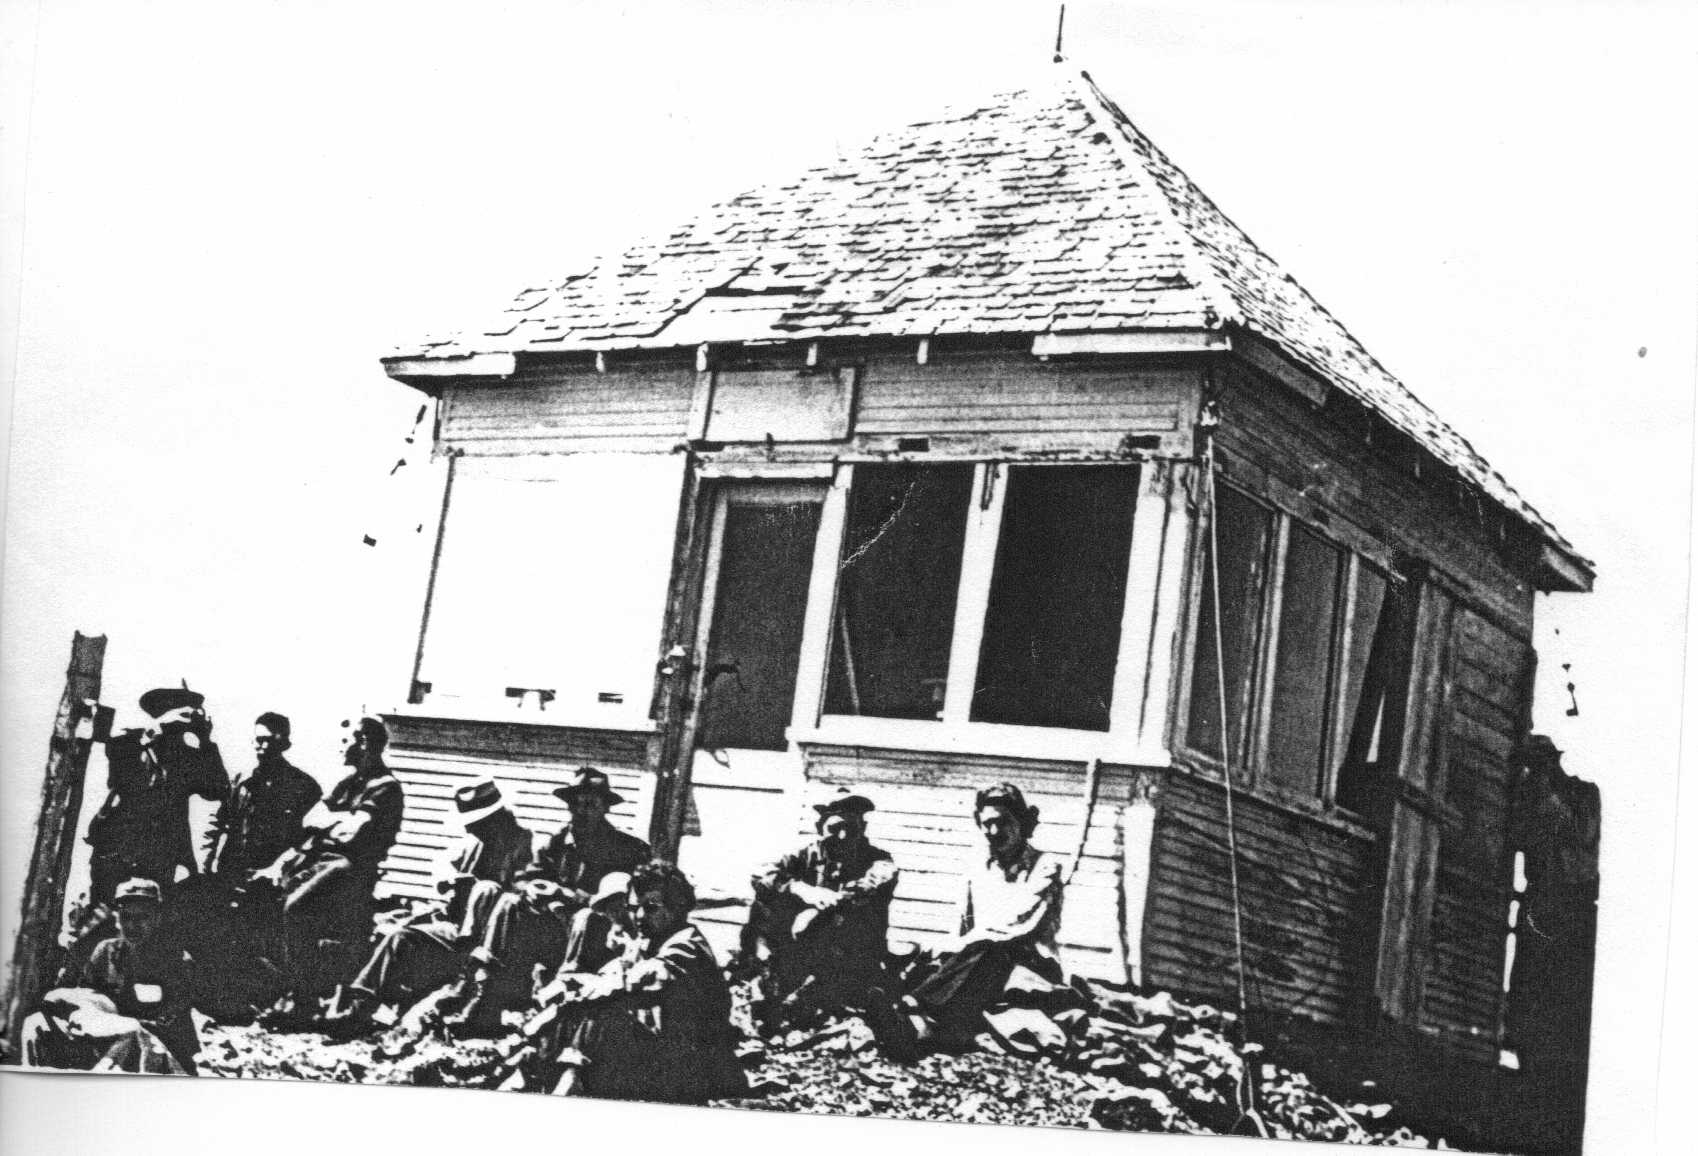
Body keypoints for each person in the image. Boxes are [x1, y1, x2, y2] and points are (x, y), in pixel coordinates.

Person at [865, 782, 1065, 1059]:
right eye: (987, 824)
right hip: (975, 962)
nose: (994, 832)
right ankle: (907, 1025)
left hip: (1028, 962)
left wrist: (959, 948)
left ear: (1021, 823)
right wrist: (942, 952)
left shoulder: (1045, 866)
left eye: (1004, 822)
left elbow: (1017, 925)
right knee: (926, 960)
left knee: (991, 950)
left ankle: (913, 1006)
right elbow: (964, 924)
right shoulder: (978, 867)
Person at [323, 779, 532, 1034]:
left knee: (486, 889)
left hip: (493, 939)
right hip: (458, 927)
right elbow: (448, 882)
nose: (475, 828)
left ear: (497, 817)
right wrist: (451, 885)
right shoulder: (474, 844)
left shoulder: (523, 844)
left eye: (481, 822)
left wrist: (484, 887)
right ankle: (359, 1006)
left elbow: (521, 895)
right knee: (399, 937)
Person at [454, 767, 649, 1031]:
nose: (581, 812)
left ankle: (557, 1009)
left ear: (605, 808)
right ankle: (483, 994)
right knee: (510, 901)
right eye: (575, 805)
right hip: (555, 933)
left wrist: (565, 895)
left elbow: (623, 905)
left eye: (590, 804)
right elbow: (524, 877)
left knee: (585, 917)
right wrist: (532, 888)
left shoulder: (628, 849)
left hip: (596, 940)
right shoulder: (558, 841)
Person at [535, 861, 744, 1104]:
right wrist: (569, 985)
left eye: (652, 907)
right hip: (663, 1057)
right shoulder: (650, 941)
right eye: (635, 908)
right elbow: (617, 970)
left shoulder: (687, 944)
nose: (640, 916)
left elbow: (650, 974)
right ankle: (540, 1075)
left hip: (693, 1068)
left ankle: (566, 1089)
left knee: (604, 1013)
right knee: (570, 1010)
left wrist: (590, 988)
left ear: (677, 907)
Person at [257, 716, 405, 1023]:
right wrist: (335, 823)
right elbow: (310, 821)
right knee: (273, 900)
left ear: (364, 743)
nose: (341, 746)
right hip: (325, 861)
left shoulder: (385, 788)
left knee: (295, 908)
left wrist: (331, 824)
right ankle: (292, 992)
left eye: (346, 739)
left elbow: (351, 834)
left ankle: (302, 1000)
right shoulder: (349, 783)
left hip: (352, 867)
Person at [743, 787, 898, 1030]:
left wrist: (819, 908)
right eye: (835, 829)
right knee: (764, 902)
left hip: (851, 953)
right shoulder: (806, 854)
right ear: (820, 828)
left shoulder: (879, 859)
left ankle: (804, 997)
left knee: (843, 917)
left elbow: (871, 885)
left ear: (863, 829)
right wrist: (801, 889)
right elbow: (761, 874)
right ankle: (767, 975)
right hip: (804, 946)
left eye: (852, 828)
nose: (844, 836)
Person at [22, 878, 202, 1074]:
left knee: (130, 1034)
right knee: (36, 1024)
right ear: (117, 919)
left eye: (143, 917)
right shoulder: (105, 951)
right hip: (107, 1038)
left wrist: (125, 1026)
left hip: (160, 1051)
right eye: (126, 917)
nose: (133, 926)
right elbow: (88, 996)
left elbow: (171, 1022)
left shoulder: (177, 961)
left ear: (157, 918)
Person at [85, 687, 229, 903]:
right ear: (164, 715)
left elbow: (219, 789)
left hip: (162, 857)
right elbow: (125, 779)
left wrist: (205, 741)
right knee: (106, 916)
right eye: (184, 716)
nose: (187, 724)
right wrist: (157, 731)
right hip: (118, 852)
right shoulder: (128, 744)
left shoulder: (186, 757)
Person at [203, 712, 322, 879]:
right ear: (253, 741)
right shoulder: (239, 782)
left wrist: (280, 868)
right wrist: (207, 864)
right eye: (260, 740)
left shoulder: (305, 786)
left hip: (273, 877)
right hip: (231, 871)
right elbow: (217, 824)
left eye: (272, 741)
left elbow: (309, 838)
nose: (264, 746)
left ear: (285, 744)